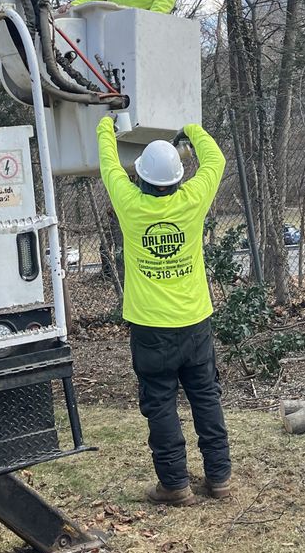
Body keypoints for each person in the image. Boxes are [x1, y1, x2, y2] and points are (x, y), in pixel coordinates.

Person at [97, 114, 231, 505]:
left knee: (159, 403)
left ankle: (175, 485)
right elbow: (216, 161)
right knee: (205, 395)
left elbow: (108, 163)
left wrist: (106, 125)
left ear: (140, 176)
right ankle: (219, 478)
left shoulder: (129, 203)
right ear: (176, 178)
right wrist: (191, 129)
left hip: (150, 327)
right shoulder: (193, 200)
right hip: (195, 322)